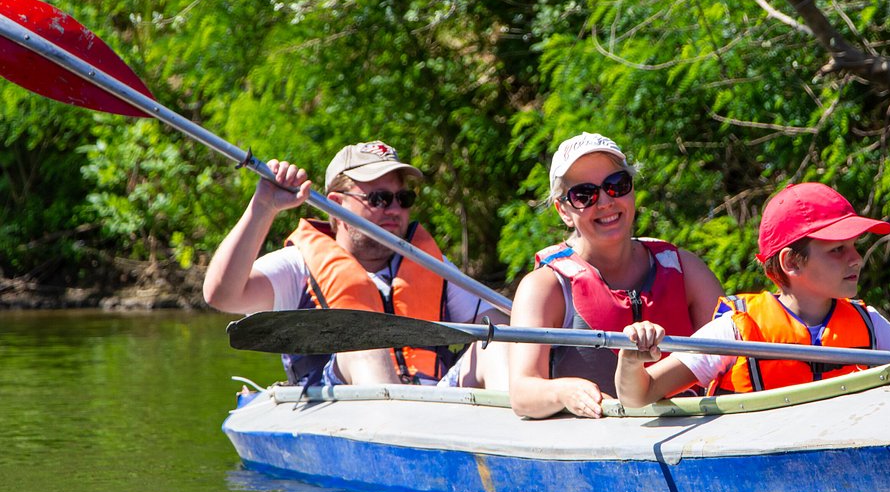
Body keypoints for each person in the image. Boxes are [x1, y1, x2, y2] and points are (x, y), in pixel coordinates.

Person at [615, 182, 890, 407]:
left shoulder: (869, 325)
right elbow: (640, 395)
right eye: (838, 250)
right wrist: (632, 356)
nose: (857, 258)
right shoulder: (736, 331)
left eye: (855, 246)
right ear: (792, 263)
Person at [203, 140, 507, 388]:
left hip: (433, 403)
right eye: (378, 199)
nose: (395, 210)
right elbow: (222, 294)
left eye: (403, 198)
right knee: (365, 344)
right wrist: (263, 207)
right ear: (336, 204)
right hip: (341, 406)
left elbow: (498, 324)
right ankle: (396, 440)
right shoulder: (298, 266)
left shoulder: (431, 265)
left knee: (501, 344)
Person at [504, 133, 725, 419]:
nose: (606, 202)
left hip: (693, 434)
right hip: (597, 444)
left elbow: (734, 352)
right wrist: (563, 391)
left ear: (631, 190)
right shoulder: (545, 287)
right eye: (584, 194)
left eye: (616, 185)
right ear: (564, 211)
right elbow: (522, 392)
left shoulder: (685, 269)